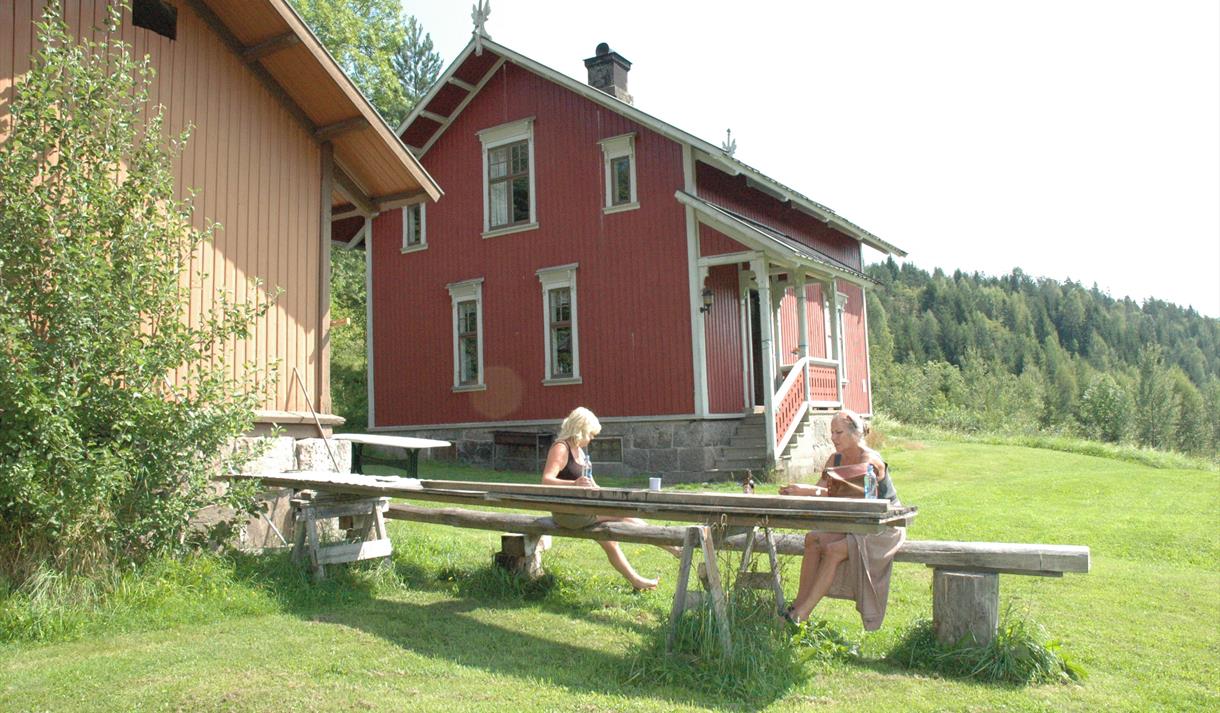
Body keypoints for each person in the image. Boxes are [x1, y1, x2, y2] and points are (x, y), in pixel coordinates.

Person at [778, 409, 905, 629]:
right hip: (853, 522)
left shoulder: (871, 460)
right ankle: (797, 605)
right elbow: (822, 490)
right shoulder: (834, 459)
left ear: (856, 434)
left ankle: (801, 616)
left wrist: (815, 491)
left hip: (882, 527)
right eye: (832, 433)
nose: (833, 438)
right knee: (812, 540)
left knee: (835, 549)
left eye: (839, 433)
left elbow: (858, 496)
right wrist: (801, 490)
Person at [541, 407, 678, 590]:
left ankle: (637, 581)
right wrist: (573, 485)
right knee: (627, 516)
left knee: (609, 541)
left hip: (582, 508)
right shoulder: (561, 447)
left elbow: (591, 484)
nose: (592, 438)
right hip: (568, 513)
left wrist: (606, 494)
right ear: (580, 429)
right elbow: (546, 480)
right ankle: (672, 548)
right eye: (590, 433)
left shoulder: (581, 451)